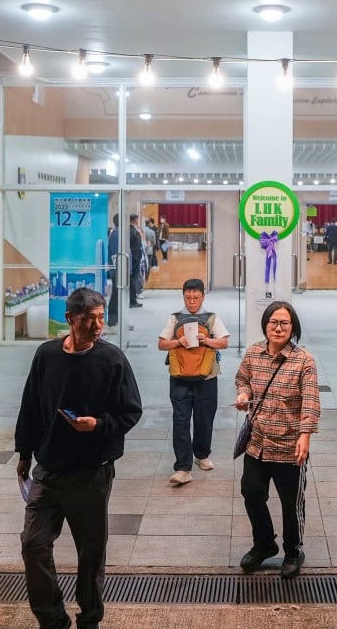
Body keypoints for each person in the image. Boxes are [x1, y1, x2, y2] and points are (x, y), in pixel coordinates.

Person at [15, 287, 144, 629]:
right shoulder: (46, 355)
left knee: (91, 554)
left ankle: (89, 619)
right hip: (48, 471)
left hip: (91, 475)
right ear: (70, 319)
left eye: (101, 318)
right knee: (33, 545)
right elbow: (30, 405)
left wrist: (98, 425)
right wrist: (24, 453)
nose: (98, 326)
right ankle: (52, 618)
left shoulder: (112, 360)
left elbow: (131, 411)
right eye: (89, 319)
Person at [235, 301, 320, 579]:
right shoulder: (253, 353)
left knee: (290, 503)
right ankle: (264, 544)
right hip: (257, 444)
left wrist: (305, 436)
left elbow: (310, 402)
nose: (278, 328)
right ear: (265, 325)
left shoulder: (303, 360)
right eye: (273, 322)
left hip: (288, 448)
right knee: (251, 492)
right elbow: (242, 379)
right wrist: (244, 394)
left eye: (284, 323)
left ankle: (293, 551)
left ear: (293, 327)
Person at [158, 278, 231, 486]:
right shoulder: (174, 318)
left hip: (207, 378)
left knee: (204, 418)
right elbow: (162, 344)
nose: (191, 302)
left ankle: (201, 454)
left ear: (203, 297)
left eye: (195, 297)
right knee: (180, 421)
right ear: (183, 296)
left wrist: (205, 340)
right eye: (188, 297)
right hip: (179, 378)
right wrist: (177, 342)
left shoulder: (212, 318)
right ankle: (183, 467)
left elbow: (224, 342)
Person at [128, 214, 145, 307]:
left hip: (135, 258)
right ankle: (132, 300)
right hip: (134, 259)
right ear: (134, 220)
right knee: (133, 280)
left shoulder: (134, 230)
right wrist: (136, 257)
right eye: (137, 220)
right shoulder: (132, 231)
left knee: (134, 279)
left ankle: (133, 299)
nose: (138, 221)